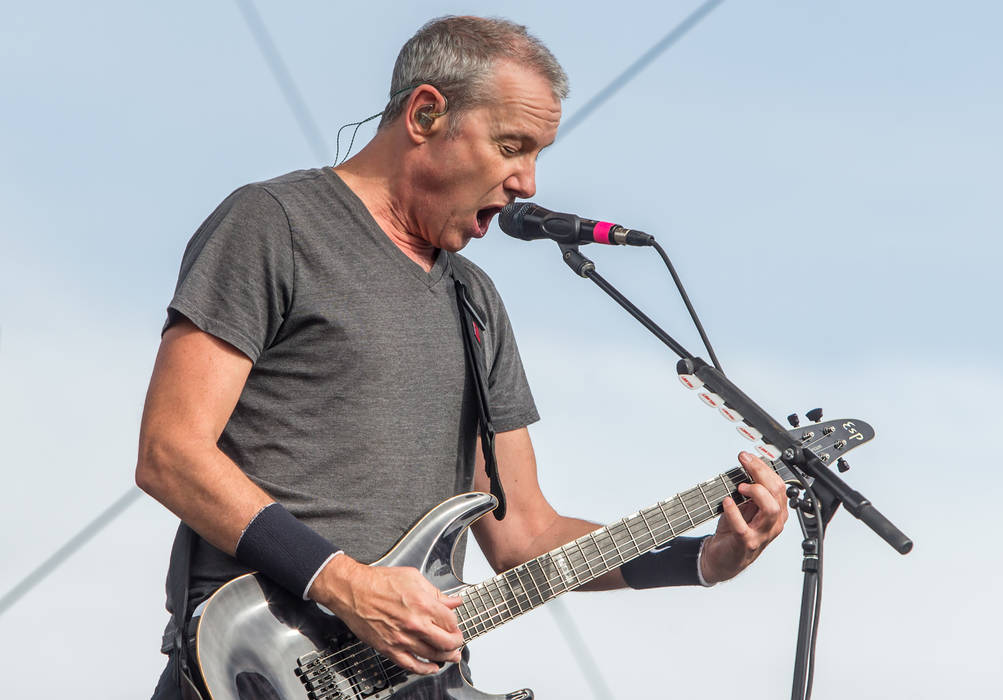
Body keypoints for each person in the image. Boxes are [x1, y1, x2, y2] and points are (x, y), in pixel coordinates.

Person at [137, 15, 788, 698]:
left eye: (539, 154)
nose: (529, 183)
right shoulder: (275, 225)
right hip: (258, 670)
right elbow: (170, 452)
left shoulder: (475, 302)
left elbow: (524, 535)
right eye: (514, 146)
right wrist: (349, 585)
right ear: (425, 114)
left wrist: (704, 560)